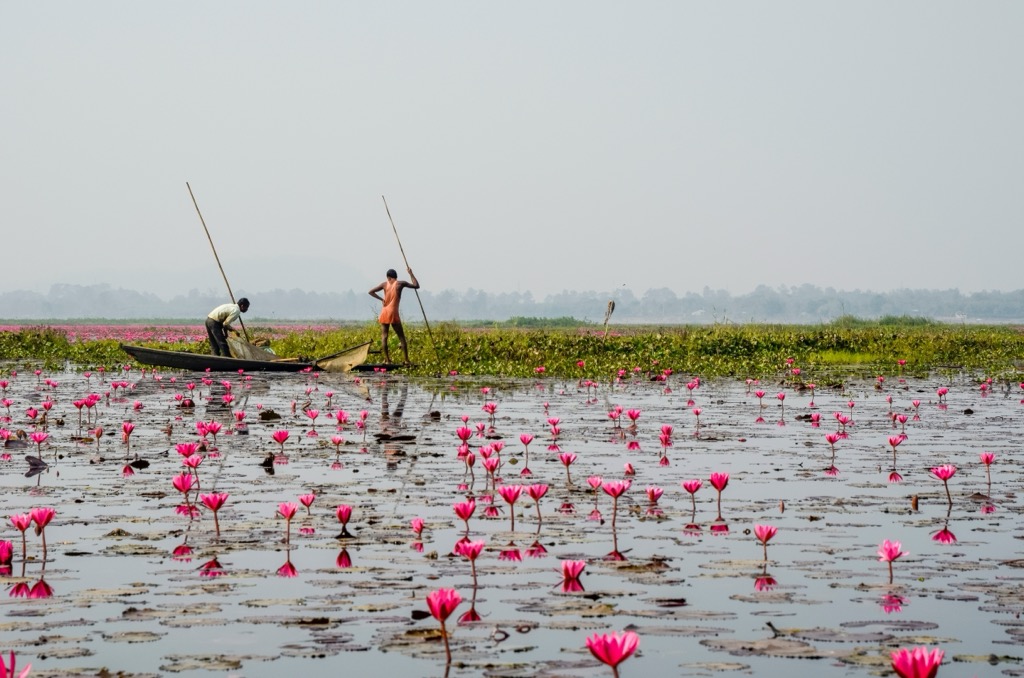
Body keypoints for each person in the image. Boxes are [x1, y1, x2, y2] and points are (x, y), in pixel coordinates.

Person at [369, 267, 419, 364]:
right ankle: (406, 360)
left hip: (384, 312)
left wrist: (381, 299)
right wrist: (411, 273)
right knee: (401, 337)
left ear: (388, 277)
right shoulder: (400, 284)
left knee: (384, 337)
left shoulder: (384, 284)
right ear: (395, 277)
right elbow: (416, 285)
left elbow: (370, 292)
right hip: (393, 313)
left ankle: (387, 360)